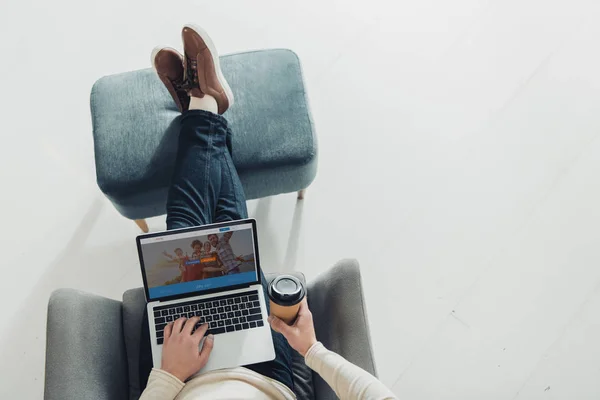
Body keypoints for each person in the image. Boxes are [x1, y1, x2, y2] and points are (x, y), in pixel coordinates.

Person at [139, 24, 396, 400]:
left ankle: (204, 105)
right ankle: (203, 105)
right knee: (226, 236)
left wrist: (169, 376)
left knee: (183, 227)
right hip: (264, 376)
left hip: (182, 381)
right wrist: (311, 350)